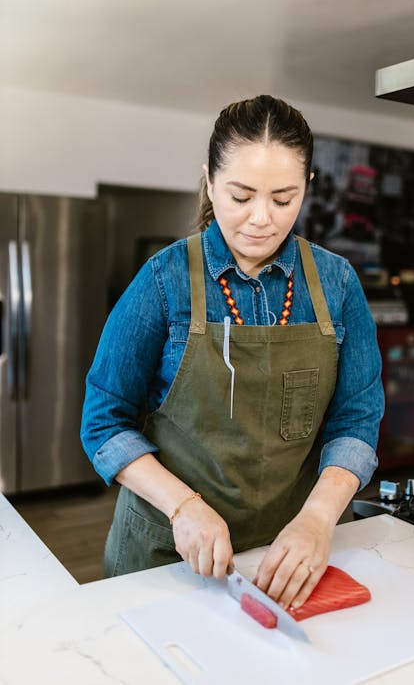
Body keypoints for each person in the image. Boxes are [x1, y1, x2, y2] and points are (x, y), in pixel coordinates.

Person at [81, 94, 384, 612]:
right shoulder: (163, 280)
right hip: (167, 557)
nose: (261, 219)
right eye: (240, 196)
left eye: (283, 199)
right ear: (209, 180)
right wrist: (183, 507)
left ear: (307, 189)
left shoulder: (337, 283)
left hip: (285, 558)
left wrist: (316, 520)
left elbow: (356, 418)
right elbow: (104, 423)